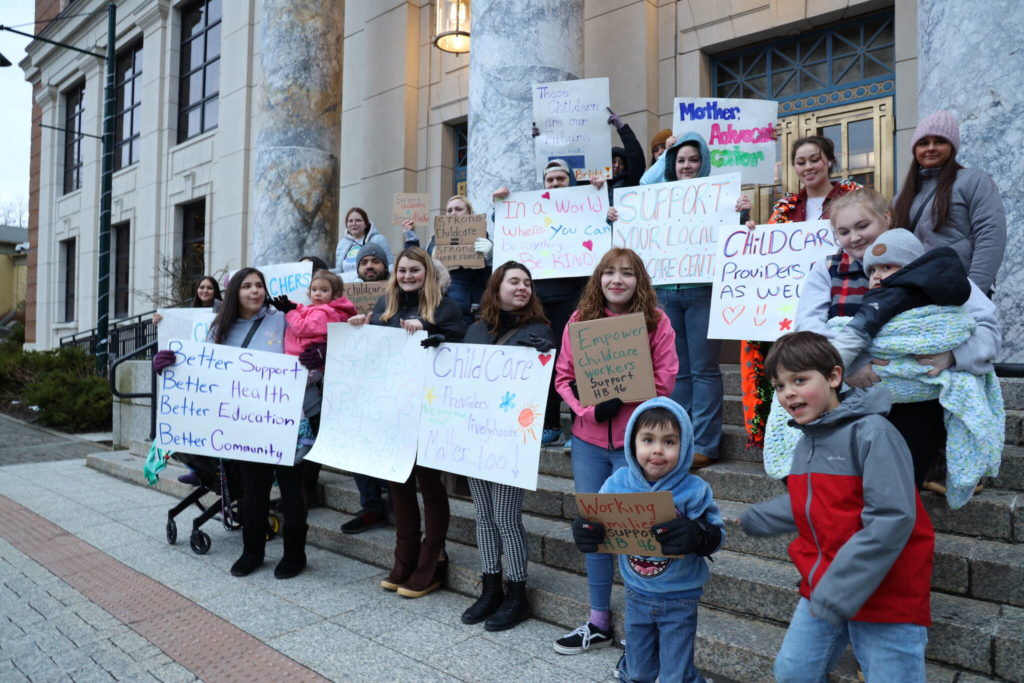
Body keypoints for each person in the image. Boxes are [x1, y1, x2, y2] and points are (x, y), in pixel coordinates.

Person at [777, 188, 1002, 494]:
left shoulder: (933, 268)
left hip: (916, 400)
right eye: (843, 231)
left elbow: (986, 326)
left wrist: (952, 356)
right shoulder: (827, 270)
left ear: (886, 219)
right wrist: (848, 370)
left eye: (862, 226)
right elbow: (809, 332)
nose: (854, 237)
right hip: (850, 393)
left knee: (897, 482)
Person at [742, 331, 934, 682]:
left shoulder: (873, 433)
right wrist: (760, 517)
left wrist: (839, 586)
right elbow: (817, 500)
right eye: (780, 385)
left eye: (800, 380)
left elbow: (891, 519)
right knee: (793, 672)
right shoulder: (807, 440)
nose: (789, 393)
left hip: (885, 593)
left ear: (833, 376)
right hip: (824, 586)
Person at [551, 247, 678, 654]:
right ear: (598, 279)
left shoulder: (656, 322)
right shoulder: (579, 321)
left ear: (639, 280)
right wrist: (589, 409)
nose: (617, 280)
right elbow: (563, 378)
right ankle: (598, 621)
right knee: (595, 530)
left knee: (641, 534)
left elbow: (666, 380)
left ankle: (645, 622)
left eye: (626, 273)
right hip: (588, 442)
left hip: (634, 448)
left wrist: (625, 399)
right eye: (609, 273)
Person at [154, 268, 315, 579]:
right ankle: (252, 551)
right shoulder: (220, 329)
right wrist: (168, 365)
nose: (254, 291)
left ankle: (296, 555)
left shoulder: (283, 319)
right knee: (253, 490)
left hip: (285, 421)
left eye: (259, 286)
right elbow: (202, 368)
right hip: (245, 424)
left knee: (292, 489)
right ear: (234, 293)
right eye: (247, 286)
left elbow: (309, 351)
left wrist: (314, 363)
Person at [571, 396, 724, 680]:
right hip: (636, 593)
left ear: (685, 445)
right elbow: (596, 521)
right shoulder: (617, 483)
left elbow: (718, 535)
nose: (657, 450)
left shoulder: (695, 489)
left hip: (681, 597)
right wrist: (584, 529)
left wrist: (700, 535)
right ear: (632, 442)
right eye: (648, 440)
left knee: (674, 675)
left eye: (669, 441)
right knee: (639, 670)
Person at [348, 247, 467, 597]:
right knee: (398, 485)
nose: (408, 276)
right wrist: (361, 327)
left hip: (430, 411)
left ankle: (431, 560)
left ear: (426, 272)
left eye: (415, 270)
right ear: (395, 274)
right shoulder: (385, 307)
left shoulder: (446, 307)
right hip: (392, 411)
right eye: (402, 270)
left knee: (430, 486)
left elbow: (462, 347)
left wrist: (431, 333)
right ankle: (404, 558)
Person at [628, 132, 751, 469]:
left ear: (704, 163)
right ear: (671, 163)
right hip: (666, 292)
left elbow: (734, 240)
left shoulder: (718, 198)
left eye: (694, 159)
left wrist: (741, 215)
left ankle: (706, 443)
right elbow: (641, 183)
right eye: (681, 160)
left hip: (703, 291)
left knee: (705, 371)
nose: (687, 165)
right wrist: (618, 217)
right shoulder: (657, 197)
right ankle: (678, 439)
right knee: (677, 371)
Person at [740, 135, 861, 448]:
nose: (808, 167)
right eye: (801, 162)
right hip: (790, 306)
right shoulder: (784, 209)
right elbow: (767, 256)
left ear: (830, 160)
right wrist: (753, 234)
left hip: (841, 300)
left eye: (814, 159)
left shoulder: (853, 197)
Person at [459, 261, 554, 631]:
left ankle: (518, 593)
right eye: (514, 281)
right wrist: (438, 352)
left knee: (506, 517)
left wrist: (546, 355)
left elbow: (545, 388)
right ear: (496, 287)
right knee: (483, 515)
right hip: (476, 435)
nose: (522, 287)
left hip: (512, 441)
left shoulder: (540, 330)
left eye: (528, 283)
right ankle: (491, 586)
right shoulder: (475, 330)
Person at [493, 159, 591, 447]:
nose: (555, 184)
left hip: (572, 299)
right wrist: (500, 208)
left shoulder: (582, 209)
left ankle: (580, 428)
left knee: (575, 364)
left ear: (570, 182)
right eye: (550, 180)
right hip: (537, 303)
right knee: (543, 363)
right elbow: (509, 230)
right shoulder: (534, 212)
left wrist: (601, 204)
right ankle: (549, 425)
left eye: (561, 179)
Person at [891, 110, 1006, 295]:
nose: (930, 148)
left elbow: (991, 236)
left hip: (961, 289)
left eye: (940, 141)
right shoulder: (901, 197)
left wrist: (974, 290)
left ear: (952, 146)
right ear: (915, 150)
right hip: (914, 294)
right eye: (923, 143)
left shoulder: (973, 180)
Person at [152, 275, 223, 486]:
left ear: (215, 290)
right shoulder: (188, 312)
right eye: (201, 287)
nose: (205, 291)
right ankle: (197, 470)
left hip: (213, 375)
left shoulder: (223, 311)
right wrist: (159, 321)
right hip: (191, 378)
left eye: (209, 287)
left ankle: (210, 470)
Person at [402, 195, 493, 324]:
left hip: (469, 311)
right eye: (449, 210)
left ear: (469, 213)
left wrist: (490, 256)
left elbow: (490, 278)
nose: (453, 213)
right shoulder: (434, 242)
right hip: (437, 307)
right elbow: (418, 265)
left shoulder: (482, 241)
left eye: (458, 209)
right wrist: (411, 240)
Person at [335, 207, 394, 277]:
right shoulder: (342, 244)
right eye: (350, 221)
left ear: (366, 224)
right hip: (347, 285)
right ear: (347, 225)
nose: (354, 223)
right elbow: (339, 270)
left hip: (371, 285)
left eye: (358, 220)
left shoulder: (378, 239)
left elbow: (390, 265)